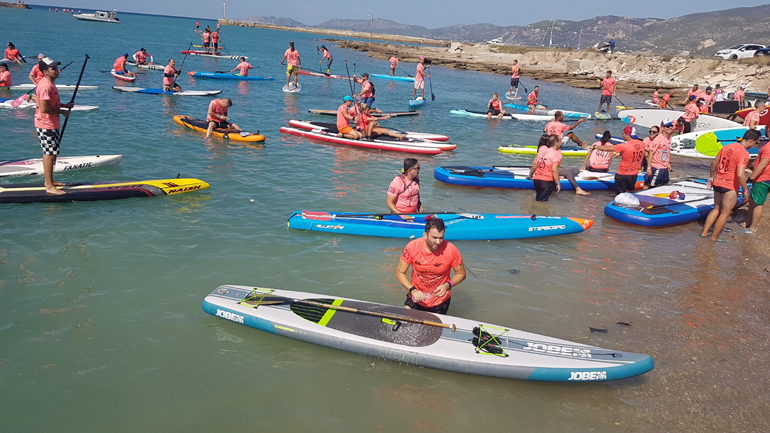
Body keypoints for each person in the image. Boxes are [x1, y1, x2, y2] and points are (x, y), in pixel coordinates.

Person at [395, 217, 466, 315]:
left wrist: (447, 285)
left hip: (440, 301)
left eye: (441, 238)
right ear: (425, 235)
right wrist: (412, 290)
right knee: (405, 322)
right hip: (416, 297)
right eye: (434, 238)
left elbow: (461, 274)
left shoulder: (451, 250)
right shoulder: (412, 247)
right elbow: (400, 272)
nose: (438, 242)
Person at [701, 129, 760, 241]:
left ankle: (704, 233)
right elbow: (739, 174)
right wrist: (746, 190)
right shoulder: (744, 153)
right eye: (756, 142)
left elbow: (714, 163)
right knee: (725, 213)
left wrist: (711, 177)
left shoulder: (727, 146)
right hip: (729, 186)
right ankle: (713, 238)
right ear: (751, 140)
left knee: (716, 209)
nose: (755, 145)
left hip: (718, 182)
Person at [34, 57, 74, 195]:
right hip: (46, 124)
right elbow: (44, 108)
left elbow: (51, 104)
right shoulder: (46, 85)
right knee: (49, 154)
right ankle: (49, 186)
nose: (57, 71)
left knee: (53, 153)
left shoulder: (50, 83)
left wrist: (64, 105)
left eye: (56, 68)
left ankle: (49, 181)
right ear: (45, 72)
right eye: (53, 69)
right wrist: (62, 112)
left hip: (51, 123)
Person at [592, 126, 645, 195]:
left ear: (627, 135)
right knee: (630, 193)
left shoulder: (624, 146)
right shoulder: (642, 144)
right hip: (634, 174)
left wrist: (594, 146)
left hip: (622, 174)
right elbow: (632, 151)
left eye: (623, 134)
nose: (622, 135)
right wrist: (620, 153)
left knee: (620, 195)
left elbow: (605, 148)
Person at [743, 130, 770, 233]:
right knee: (752, 200)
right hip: (766, 178)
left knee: (757, 203)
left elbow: (763, 164)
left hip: (763, 178)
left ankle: (753, 228)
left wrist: (752, 177)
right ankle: (747, 222)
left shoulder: (768, 147)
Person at [528, 134, 562, 201]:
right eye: (560, 141)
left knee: (539, 199)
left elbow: (535, 165)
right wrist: (558, 183)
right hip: (547, 181)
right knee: (541, 202)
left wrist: (530, 175)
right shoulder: (556, 154)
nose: (562, 142)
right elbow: (554, 170)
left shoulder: (542, 152)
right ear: (556, 143)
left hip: (537, 180)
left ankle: (533, 210)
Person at [644, 119, 674, 189]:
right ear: (662, 128)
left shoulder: (669, 137)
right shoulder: (658, 139)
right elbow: (651, 153)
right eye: (668, 126)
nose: (670, 127)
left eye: (671, 126)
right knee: (649, 184)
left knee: (665, 184)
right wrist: (649, 168)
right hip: (656, 166)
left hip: (665, 166)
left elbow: (668, 150)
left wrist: (669, 163)